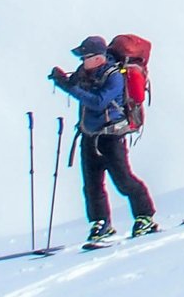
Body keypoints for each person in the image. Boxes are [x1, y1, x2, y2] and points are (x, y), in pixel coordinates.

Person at [50, 34, 158, 242]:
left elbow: (98, 102)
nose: (82, 60)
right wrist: (61, 80)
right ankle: (100, 223)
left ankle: (145, 216)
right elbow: (75, 86)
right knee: (92, 185)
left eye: (85, 57)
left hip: (111, 137)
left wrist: (69, 87)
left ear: (98, 57)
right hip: (90, 136)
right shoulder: (85, 72)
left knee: (123, 180)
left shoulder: (114, 76)